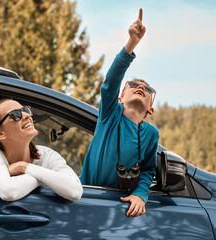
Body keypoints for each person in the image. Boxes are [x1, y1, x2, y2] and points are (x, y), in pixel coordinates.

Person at [80, 9, 159, 217]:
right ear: (121, 97)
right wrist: (131, 44)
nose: (140, 87)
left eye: (147, 89)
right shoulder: (110, 115)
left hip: (117, 208)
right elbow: (109, 85)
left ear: (150, 108)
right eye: (133, 85)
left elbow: (148, 171)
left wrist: (141, 194)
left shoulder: (151, 134)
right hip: (85, 198)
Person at [0, 99, 83, 201]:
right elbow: (8, 192)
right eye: (15, 114)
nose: (27, 115)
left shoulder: (46, 154)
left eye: (25, 110)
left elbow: (75, 191)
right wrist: (45, 178)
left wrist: (23, 167)